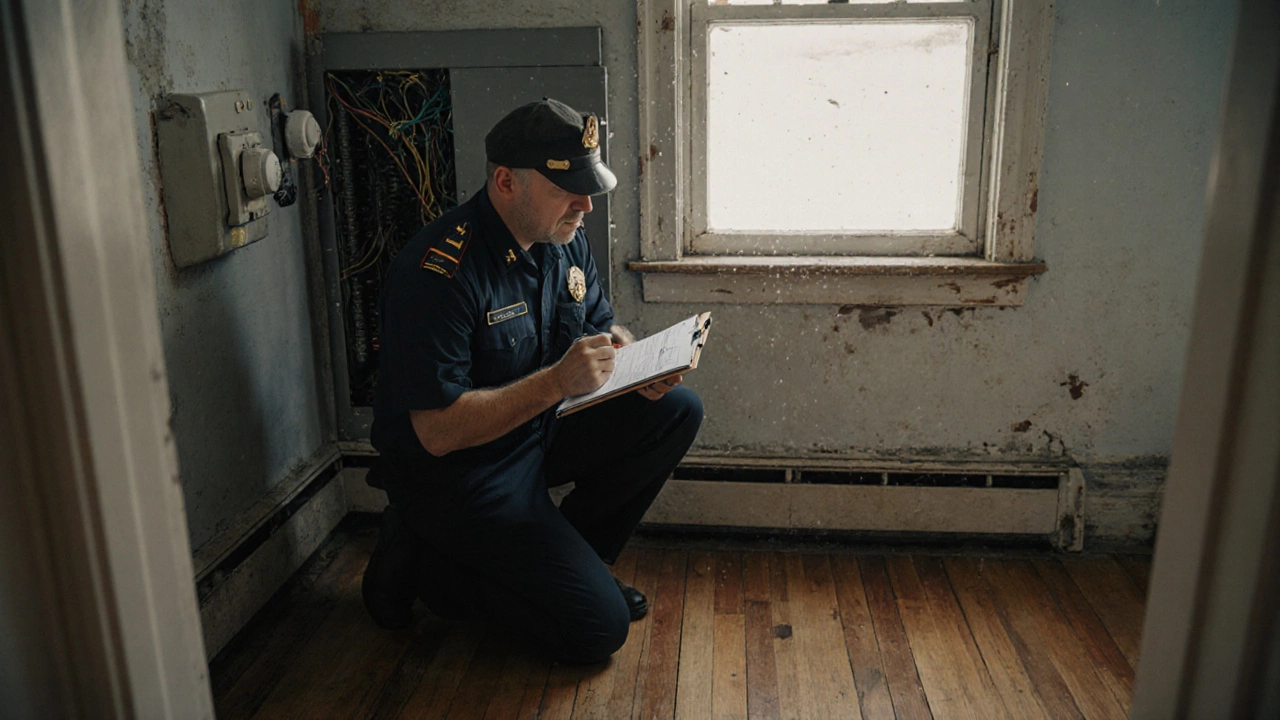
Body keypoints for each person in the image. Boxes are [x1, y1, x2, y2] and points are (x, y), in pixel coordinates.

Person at [362, 98, 704, 664]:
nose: (586, 206)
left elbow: (597, 324)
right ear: (505, 182)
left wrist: (629, 360)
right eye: (569, 189)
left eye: (590, 188)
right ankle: (421, 562)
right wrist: (556, 382)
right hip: (462, 474)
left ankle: (575, 565)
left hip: (537, 434)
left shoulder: (560, 238)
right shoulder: (439, 273)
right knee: (598, 632)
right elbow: (438, 433)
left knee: (676, 410)